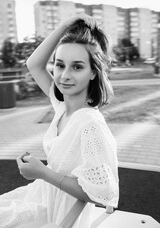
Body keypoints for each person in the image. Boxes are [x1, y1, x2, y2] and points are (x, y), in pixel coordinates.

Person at [0, 13, 119, 227]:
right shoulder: (62, 105)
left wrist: (42, 172)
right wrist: (65, 25)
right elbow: (34, 64)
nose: (64, 76)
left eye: (77, 67)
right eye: (60, 64)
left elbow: (102, 194)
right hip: (43, 196)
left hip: (62, 212)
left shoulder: (90, 124)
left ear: (94, 72)